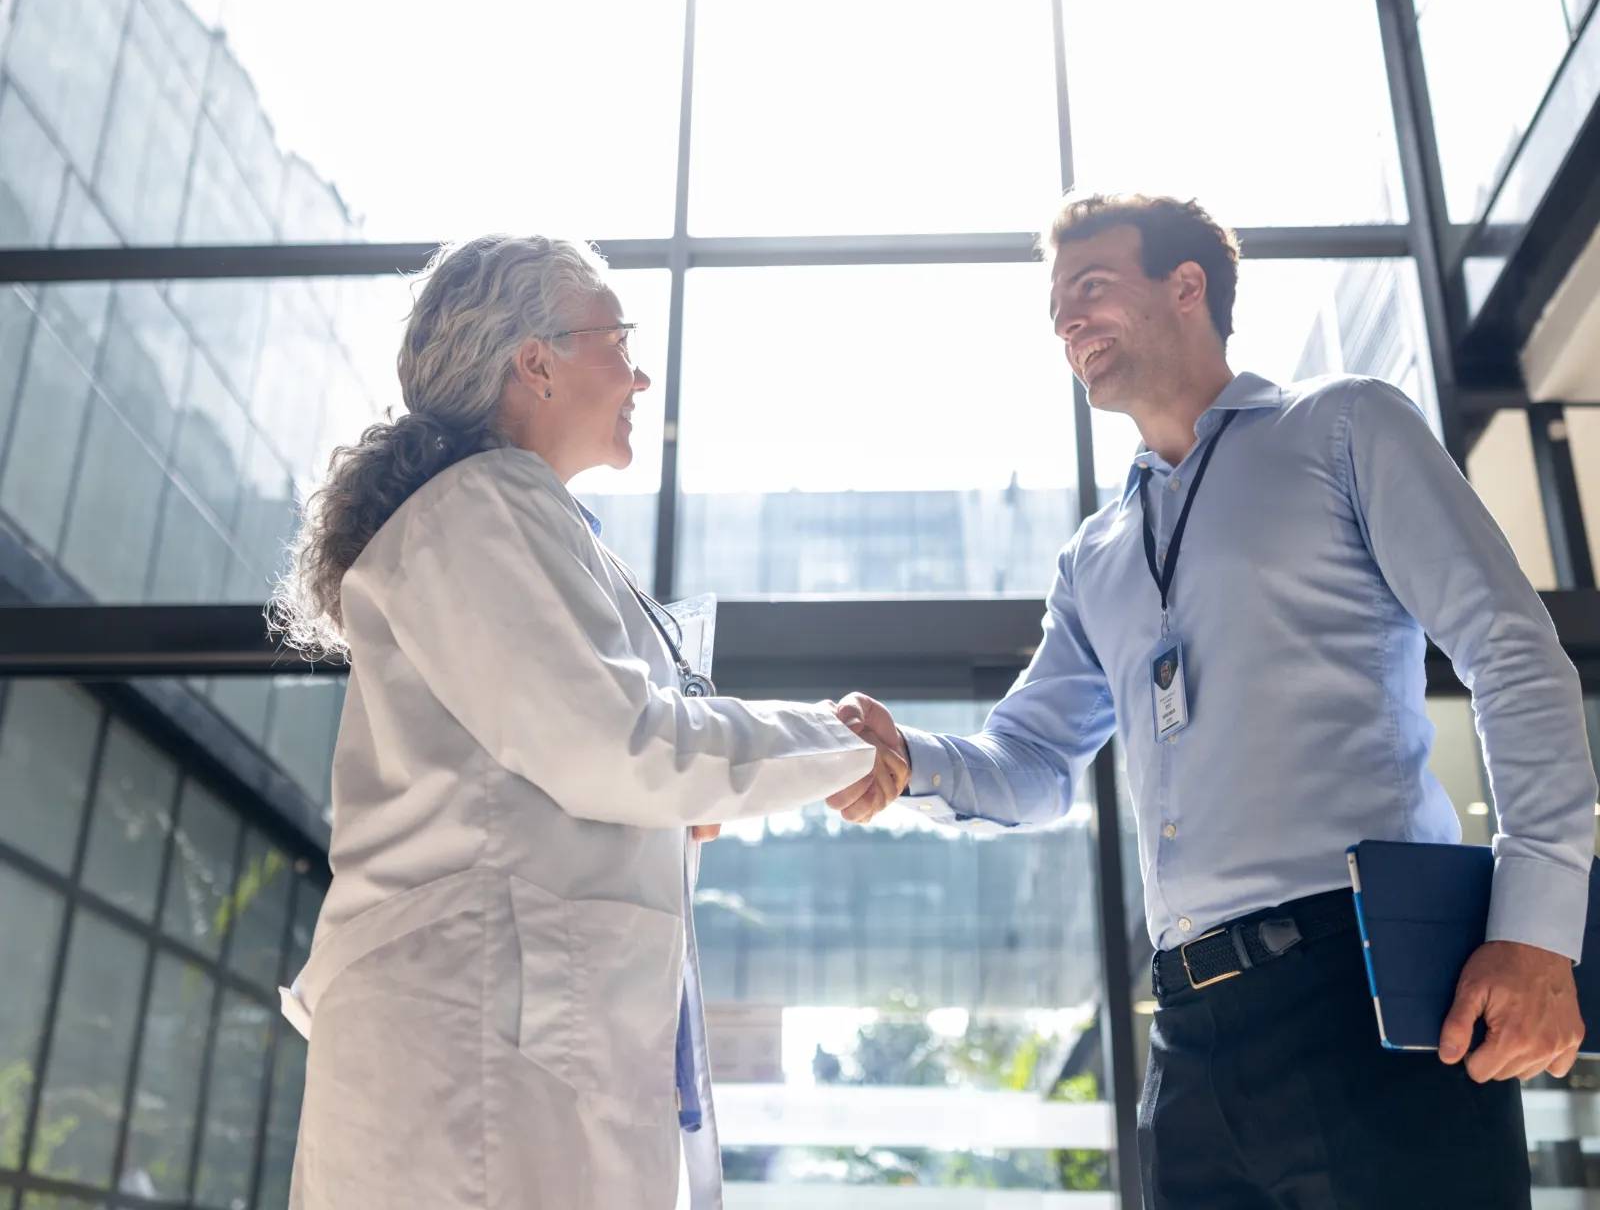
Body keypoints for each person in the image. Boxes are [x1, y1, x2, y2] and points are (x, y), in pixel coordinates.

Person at [832, 194, 1595, 1209]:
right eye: (1053, 307)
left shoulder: (1343, 424)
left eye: (1090, 287)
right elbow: (1033, 763)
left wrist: (1542, 926)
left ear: (1186, 286)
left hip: (1360, 983)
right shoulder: (1094, 555)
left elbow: (1509, 650)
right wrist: (910, 758)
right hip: (1189, 1029)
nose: (1065, 320)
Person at [270, 235, 908, 1210]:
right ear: (536, 359)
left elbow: (582, 753)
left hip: (490, 1033)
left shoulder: (509, 519)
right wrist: (834, 745)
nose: (640, 371)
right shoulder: (483, 508)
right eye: (619, 338)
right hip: (467, 1037)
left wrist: (668, 804)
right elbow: (619, 742)